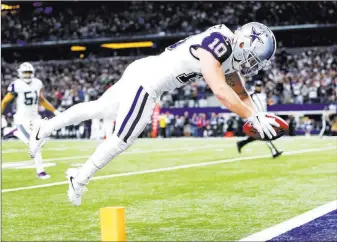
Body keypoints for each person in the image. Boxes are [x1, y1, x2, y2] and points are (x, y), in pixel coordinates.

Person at [29, 22, 279, 205]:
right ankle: (79, 179)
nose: (252, 64)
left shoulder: (229, 54)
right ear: (244, 43)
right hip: (149, 83)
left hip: (145, 71)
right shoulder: (219, 43)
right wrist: (251, 116)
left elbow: (242, 94)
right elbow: (222, 91)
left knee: (99, 108)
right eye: (253, 58)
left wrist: (260, 115)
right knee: (121, 139)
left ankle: (45, 128)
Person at [1, 62, 60, 179]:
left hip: (35, 118)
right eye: (25, 73)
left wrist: (55, 111)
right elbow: (4, 101)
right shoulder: (16, 85)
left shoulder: (37, 83)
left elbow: (42, 100)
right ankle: (40, 171)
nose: (27, 75)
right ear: (20, 73)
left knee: (42, 141)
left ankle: (14, 132)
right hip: (22, 119)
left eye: (29, 72)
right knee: (35, 144)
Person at [237, 80, 283, 158]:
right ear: (255, 86)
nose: (258, 87)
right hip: (257, 117)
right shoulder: (251, 95)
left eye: (260, 86)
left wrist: (269, 103)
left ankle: (241, 143)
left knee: (260, 134)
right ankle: (274, 152)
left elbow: (266, 104)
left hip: (264, 116)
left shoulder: (263, 95)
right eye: (257, 86)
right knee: (265, 134)